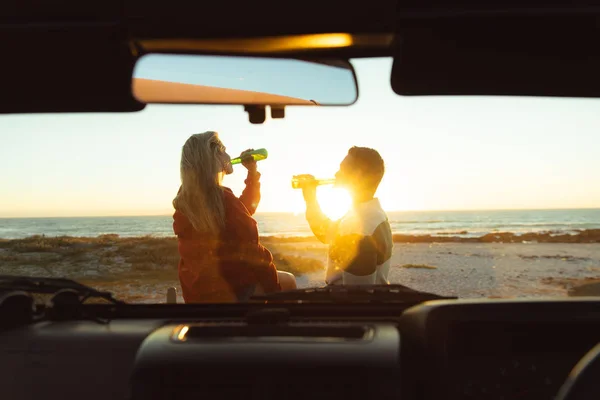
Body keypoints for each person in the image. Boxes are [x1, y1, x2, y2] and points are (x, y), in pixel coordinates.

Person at [172, 131, 296, 303]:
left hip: (198, 295)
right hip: (233, 294)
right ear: (215, 157)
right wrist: (275, 292)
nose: (229, 156)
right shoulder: (224, 199)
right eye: (224, 150)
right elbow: (256, 254)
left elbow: (244, 209)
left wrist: (252, 173)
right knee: (288, 280)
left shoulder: (187, 201)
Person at [300, 146, 392, 285]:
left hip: (346, 304)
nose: (336, 174)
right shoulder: (371, 213)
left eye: (343, 169)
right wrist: (311, 200)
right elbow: (326, 234)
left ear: (358, 175)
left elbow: (357, 297)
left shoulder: (358, 228)